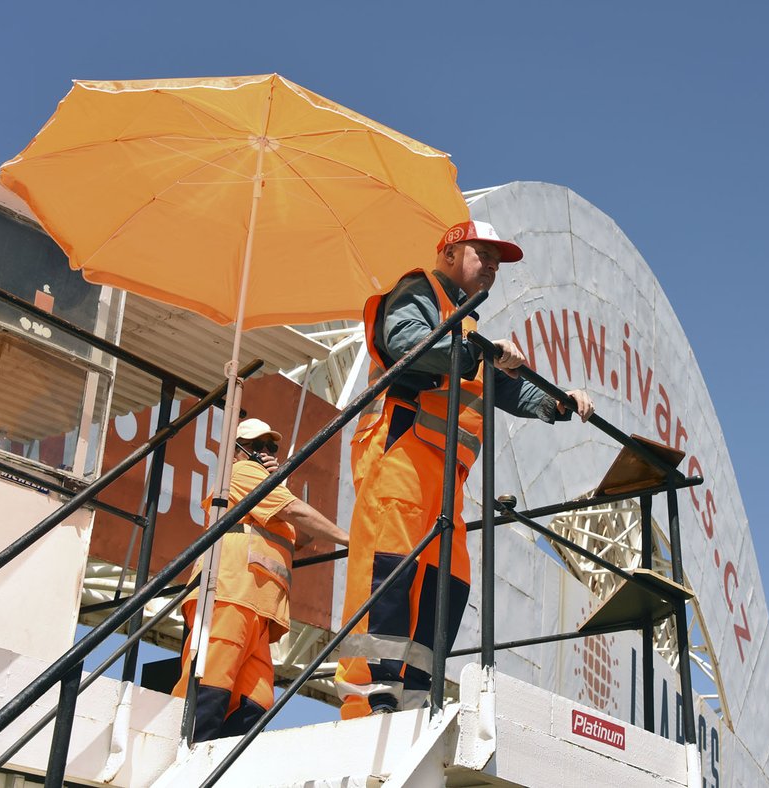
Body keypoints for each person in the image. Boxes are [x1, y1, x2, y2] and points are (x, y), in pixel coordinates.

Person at [336, 219, 594, 718]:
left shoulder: (468, 330)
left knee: (445, 583)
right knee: (389, 569)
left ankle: (413, 700)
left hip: (445, 474)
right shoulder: (420, 290)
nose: (493, 268)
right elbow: (407, 343)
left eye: (499, 262)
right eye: (485, 255)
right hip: (401, 452)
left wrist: (560, 402)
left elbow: (508, 387)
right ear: (451, 252)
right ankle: (369, 700)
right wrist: (481, 354)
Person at [173, 417, 349, 742]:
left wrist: (280, 485)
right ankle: (183, 756)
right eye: (256, 446)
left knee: (255, 702)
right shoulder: (241, 473)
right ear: (239, 451)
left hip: (257, 610)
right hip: (228, 592)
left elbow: (301, 536)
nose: (265, 453)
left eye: (271, 447)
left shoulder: (267, 492)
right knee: (210, 686)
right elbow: (297, 513)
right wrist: (352, 540)